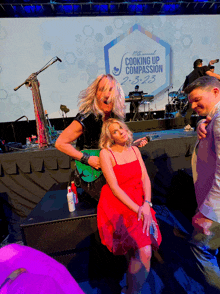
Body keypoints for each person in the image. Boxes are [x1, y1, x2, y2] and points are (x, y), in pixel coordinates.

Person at [55, 74, 147, 202]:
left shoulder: (115, 116)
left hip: (110, 170)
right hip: (92, 174)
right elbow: (60, 143)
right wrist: (88, 159)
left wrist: (129, 146)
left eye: (110, 89)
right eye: (102, 89)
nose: (106, 94)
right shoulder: (86, 117)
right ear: (95, 94)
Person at [97, 118, 162, 294]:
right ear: (110, 137)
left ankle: (130, 288)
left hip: (140, 201)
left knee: (141, 251)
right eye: (115, 132)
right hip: (119, 204)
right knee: (143, 251)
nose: (121, 132)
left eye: (121, 128)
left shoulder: (134, 150)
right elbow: (115, 188)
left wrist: (147, 204)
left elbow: (145, 178)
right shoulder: (106, 153)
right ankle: (132, 291)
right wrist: (139, 209)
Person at [184, 76, 220, 293]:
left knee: (200, 247)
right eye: (191, 103)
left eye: (197, 100)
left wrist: (207, 212)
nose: (194, 106)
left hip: (216, 209)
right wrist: (203, 121)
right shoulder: (213, 119)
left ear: (215, 92)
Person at [182, 59, 220, 131]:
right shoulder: (203, 68)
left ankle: (189, 125)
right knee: (207, 109)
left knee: (191, 110)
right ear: (200, 64)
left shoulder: (189, 75)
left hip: (191, 95)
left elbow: (184, 89)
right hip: (202, 93)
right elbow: (211, 75)